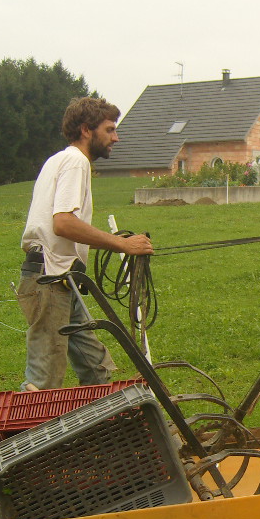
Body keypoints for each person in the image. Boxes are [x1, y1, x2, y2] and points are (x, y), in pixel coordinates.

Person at [17, 97, 153, 391]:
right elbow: (63, 222)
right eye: (109, 129)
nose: (116, 137)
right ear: (86, 130)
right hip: (48, 279)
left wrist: (119, 243)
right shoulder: (76, 162)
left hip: (64, 279)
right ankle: (22, 436)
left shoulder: (61, 160)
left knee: (96, 367)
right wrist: (121, 245)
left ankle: (93, 435)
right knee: (44, 382)